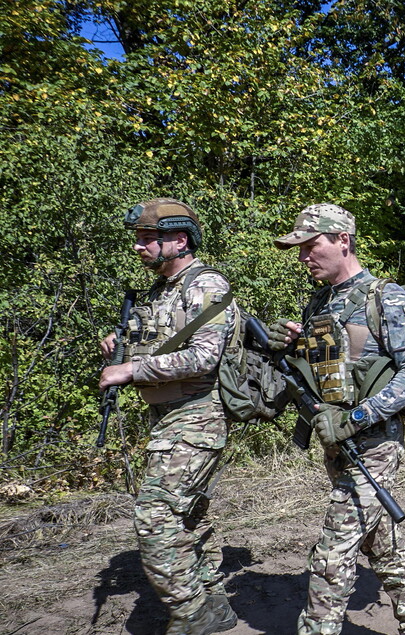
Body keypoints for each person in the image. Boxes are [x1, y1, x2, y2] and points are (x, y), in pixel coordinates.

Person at [268, 203, 405, 635]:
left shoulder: (388, 298)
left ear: (343, 240)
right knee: (380, 542)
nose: (304, 256)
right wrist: (294, 345)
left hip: (376, 440)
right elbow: (329, 370)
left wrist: (358, 416)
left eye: (311, 245)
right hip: (336, 442)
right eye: (299, 249)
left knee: (333, 550)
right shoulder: (320, 301)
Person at [98, 198, 237, 635]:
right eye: (137, 239)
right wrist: (120, 347)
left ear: (179, 240)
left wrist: (131, 369)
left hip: (198, 414)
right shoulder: (160, 292)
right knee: (190, 514)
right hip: (165, 415)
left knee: (155, 515)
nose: (139, 247)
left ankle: (191, 614)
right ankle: (214, 603)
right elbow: (161, 342)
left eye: (147, 239)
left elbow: (204, 357)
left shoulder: (206, 286)